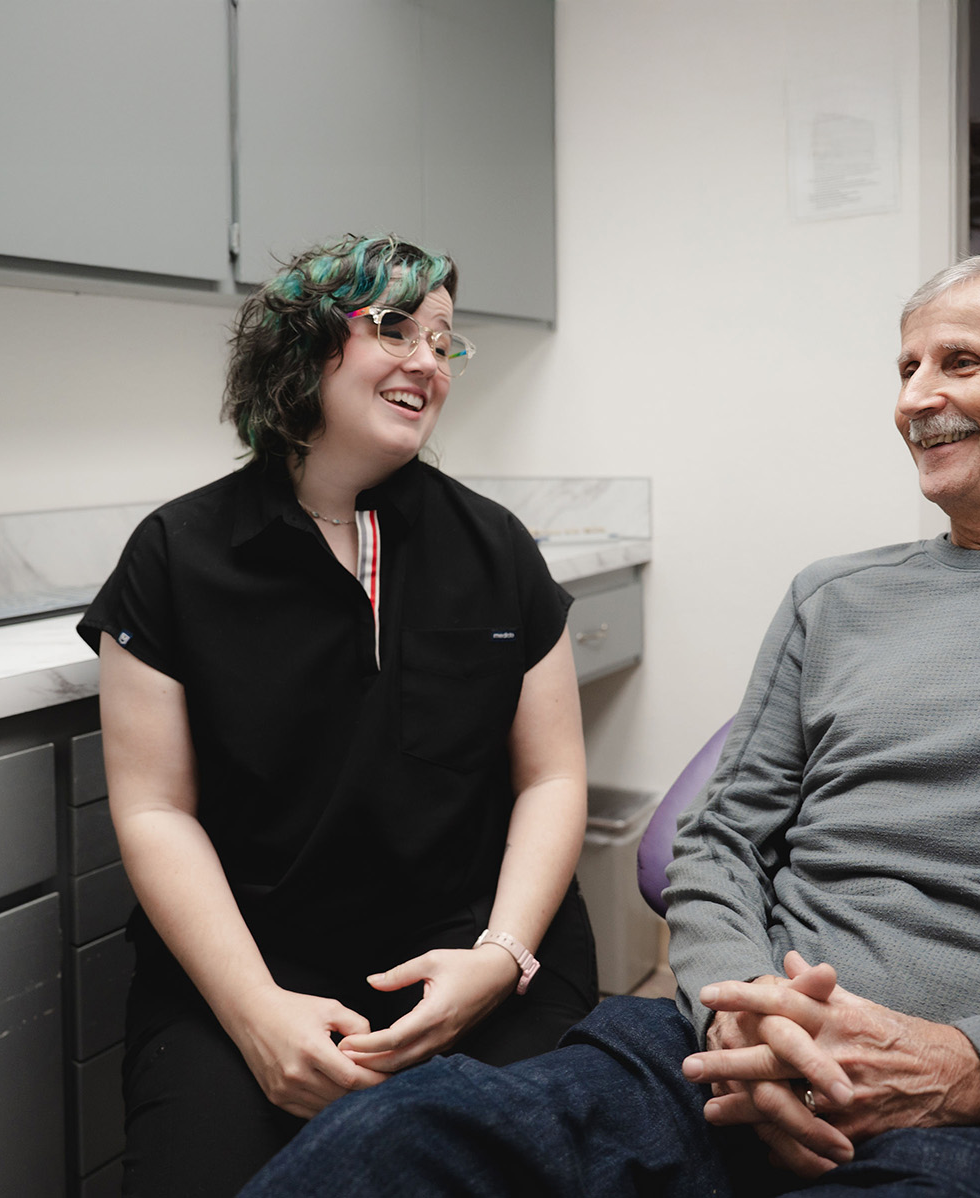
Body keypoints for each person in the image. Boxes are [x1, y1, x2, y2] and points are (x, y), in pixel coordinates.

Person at [235, 249, 980, 1198]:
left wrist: (962, 1062)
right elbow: (721, 839)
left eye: (957, 362)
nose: (914, 397)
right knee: (401, 1140)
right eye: (905, 366)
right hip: (719, 1064)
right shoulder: (835, 598)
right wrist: (737, 1014)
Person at [77, 234, 598, 1197]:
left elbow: (554, 776)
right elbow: (155, 810)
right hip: (253, 971)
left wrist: (502, 955)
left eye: (445, 343)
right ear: (302, 345)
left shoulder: (496, 548)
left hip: (483, 956)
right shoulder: (176, 556)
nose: (427, 363)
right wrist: (254, 1014)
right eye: (396, 328)